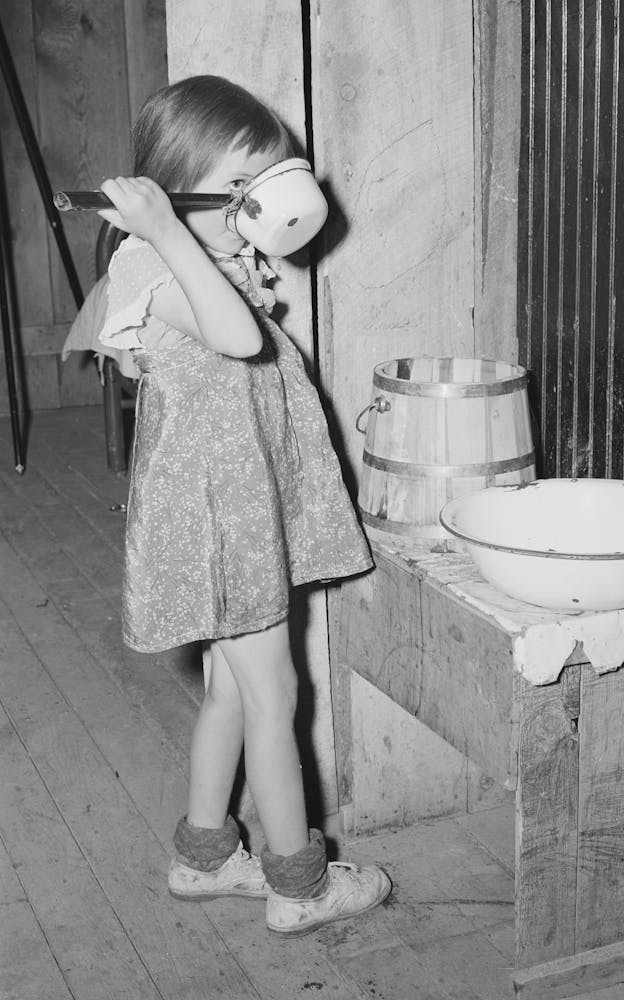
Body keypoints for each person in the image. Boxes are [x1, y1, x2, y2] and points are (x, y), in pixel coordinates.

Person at [97, 75, 390, 936]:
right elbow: (236, 337)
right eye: (234, 191)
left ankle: (203, 857)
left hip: (240, 507)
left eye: (257, 187)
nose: (247, 208)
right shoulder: (151, 264)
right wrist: (161, 229)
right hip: (221, 520)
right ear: (174, 182)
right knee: (275, 697)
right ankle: (299, 887)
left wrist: (239, 230)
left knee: (230, 692)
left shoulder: (211, 256)